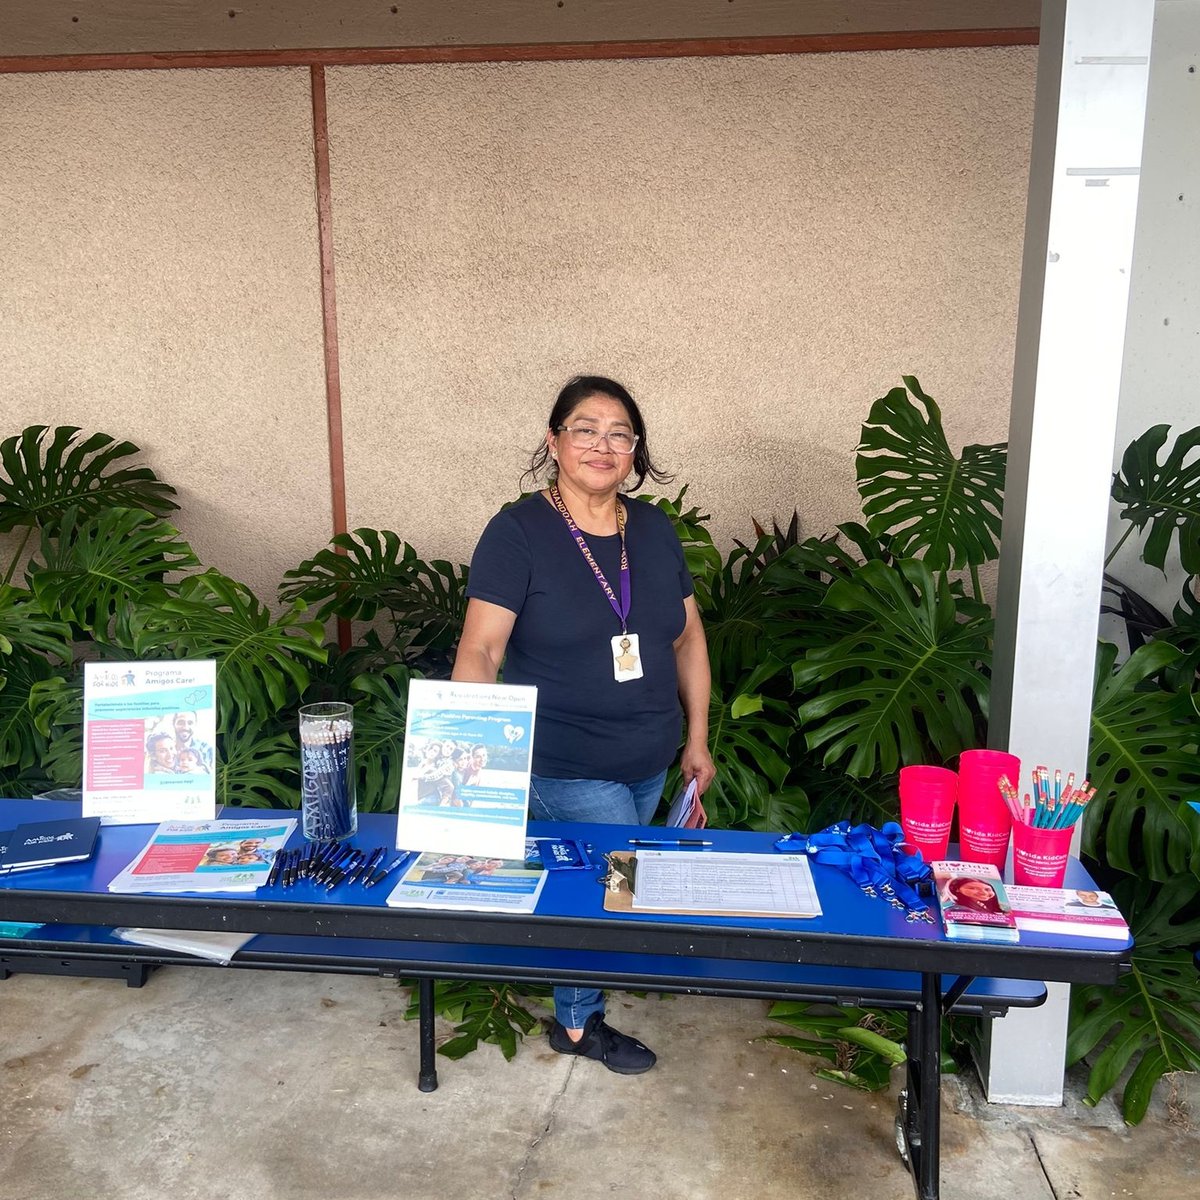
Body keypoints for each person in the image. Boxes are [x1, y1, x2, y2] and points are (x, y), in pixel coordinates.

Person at [453, 374, 716, 1075]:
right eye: (586, 429)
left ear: (636, 449)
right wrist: (471, 758)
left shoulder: (653, 530)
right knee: (611, 888)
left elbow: (686, 639)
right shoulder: (519, 533)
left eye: (620, 433)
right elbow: (479, 649)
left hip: (651, 755)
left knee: (610, 883)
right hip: (562, 758)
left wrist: (697, 738)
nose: (604, 444)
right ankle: (575, 1023)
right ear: (555, 441)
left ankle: (584, 992)